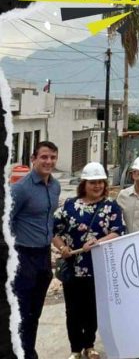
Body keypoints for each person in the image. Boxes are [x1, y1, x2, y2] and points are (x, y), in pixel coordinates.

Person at [52, 162, 125, 359]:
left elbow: (118, 232)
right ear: (84, 183)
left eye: (100, 182)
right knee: (73, 310)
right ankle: (75, 349)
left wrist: (98, 241)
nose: (97, 186)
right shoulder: (69, 205)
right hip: (73, 268)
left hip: (99, 268)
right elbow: (53, 230)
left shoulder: (111, 206)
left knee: (93, 309)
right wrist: (62, 248)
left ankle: (89, 345)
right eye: (93, 182)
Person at [10, 141, 61, 359]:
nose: (48, 161)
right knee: (20, 313)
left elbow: (49, 221)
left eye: (52, 157)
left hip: (43, 256)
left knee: (35, 312)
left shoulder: (56, 186)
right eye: (44, 157)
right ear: (34, 159)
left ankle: (28, 351)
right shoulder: (20, 189)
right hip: (23, 256)